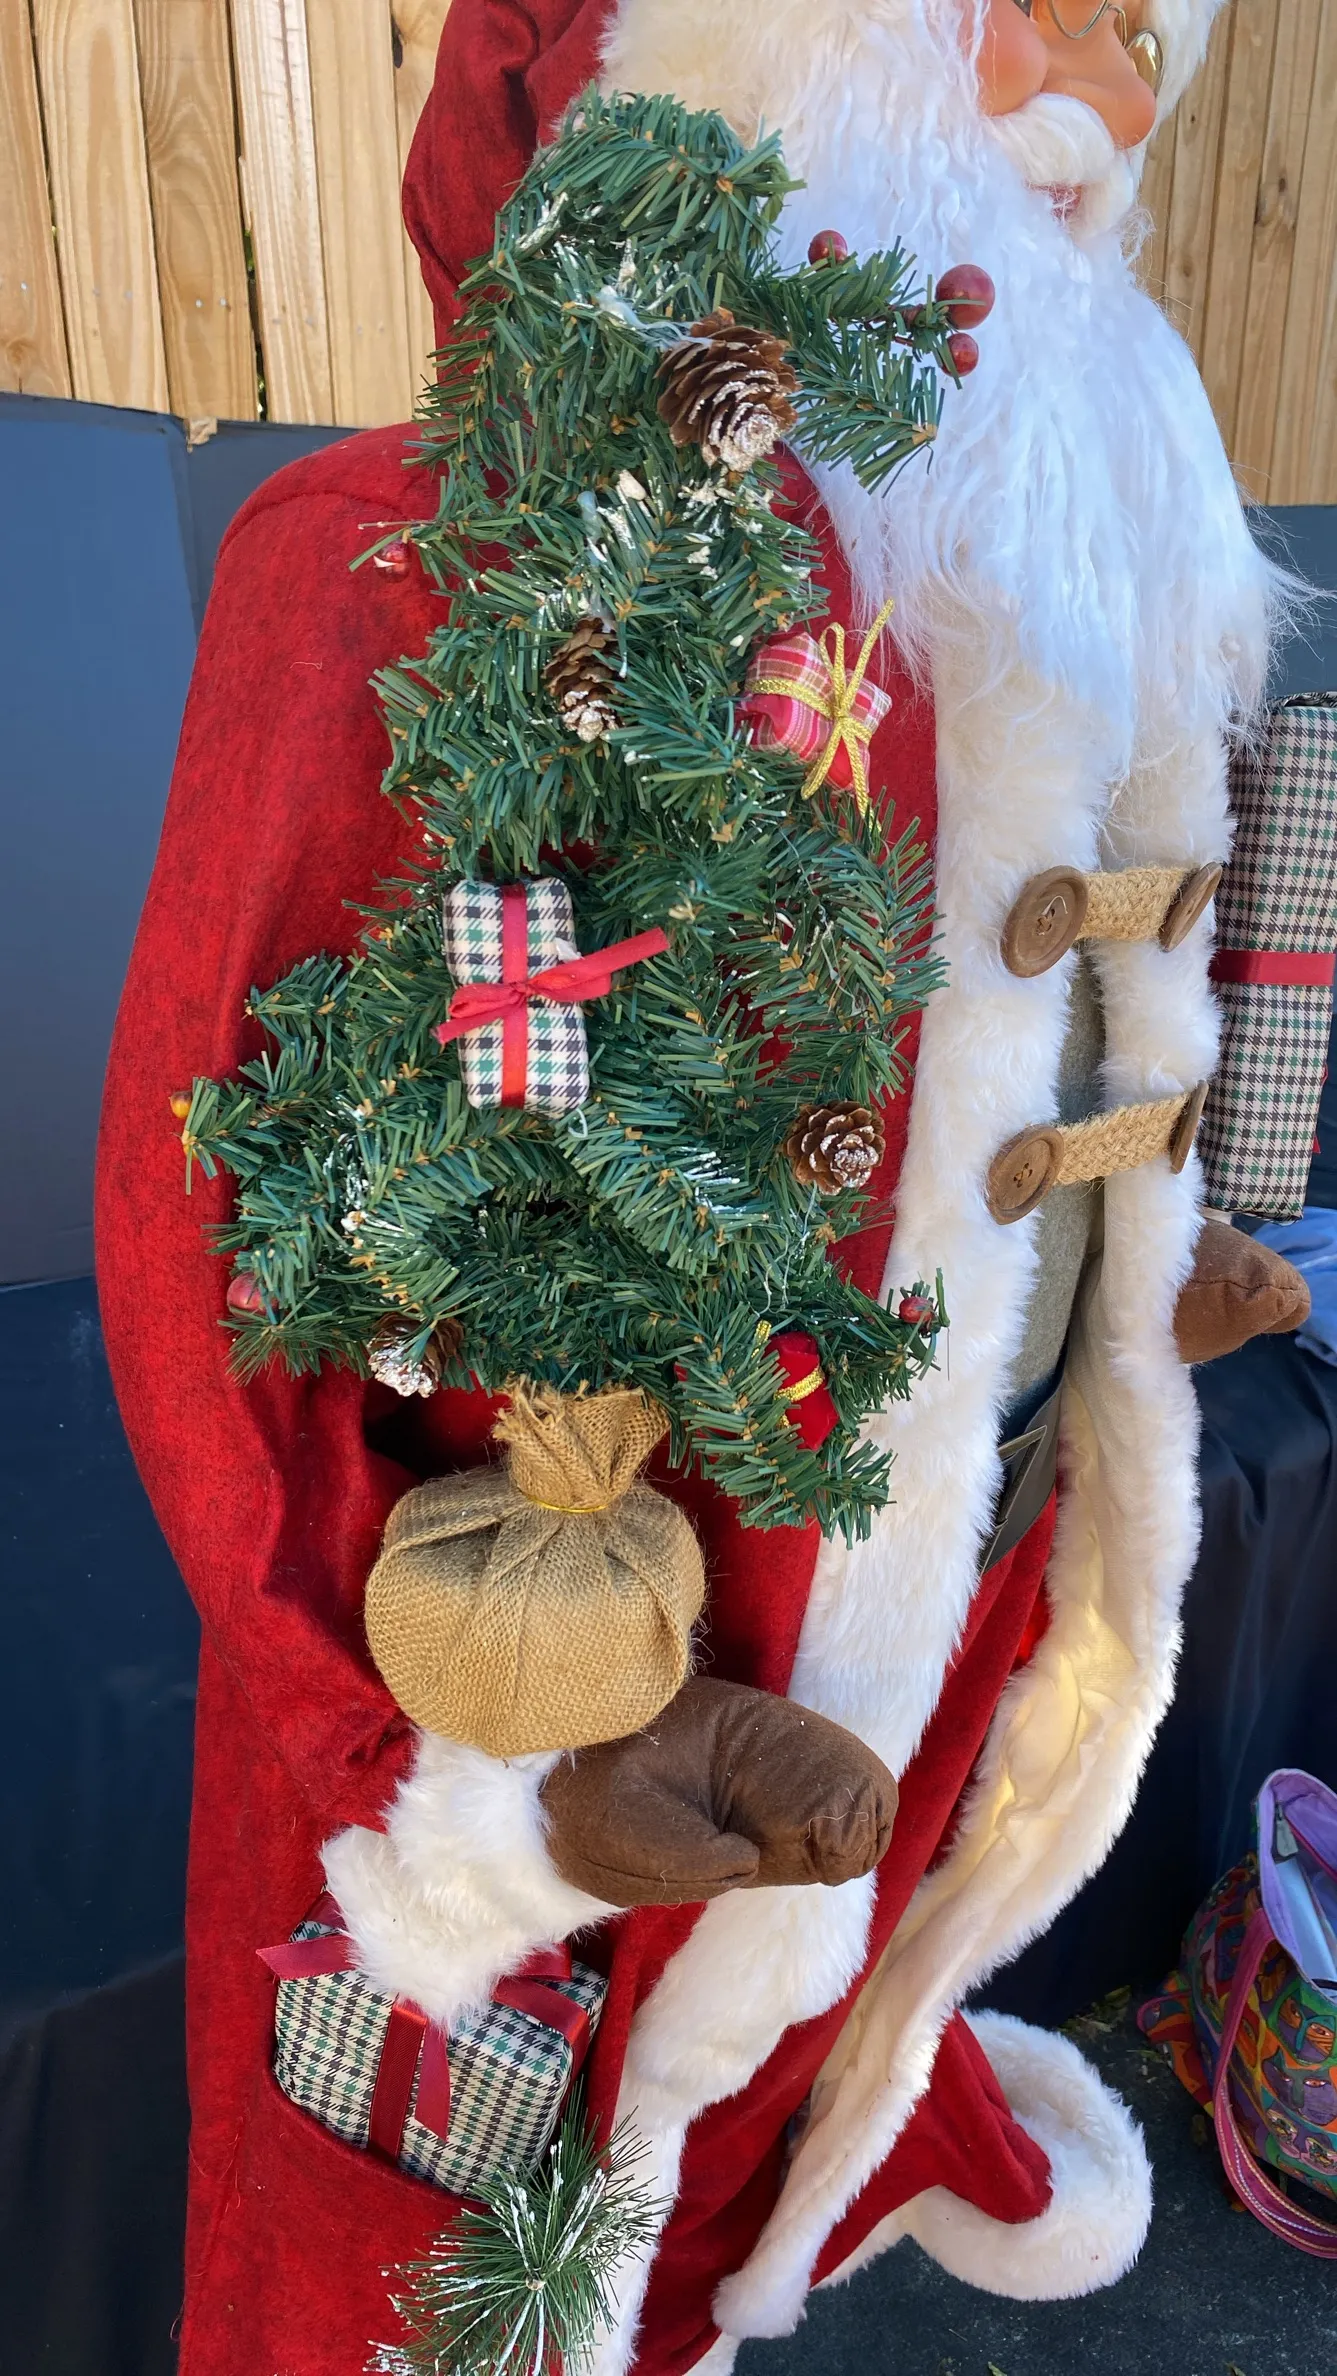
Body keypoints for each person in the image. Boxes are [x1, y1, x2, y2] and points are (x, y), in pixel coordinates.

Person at [96, 3, 1309, 2369]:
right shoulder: (403, 568)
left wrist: (1114, 1278)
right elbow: (204, 1239)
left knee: (732, 2156)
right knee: (418, 2274)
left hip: (902, 1640)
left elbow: (992, 1088)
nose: (1094, 83)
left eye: (1134, 24)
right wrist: (454, 1788)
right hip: (565, 1694)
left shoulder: (1057, 592)